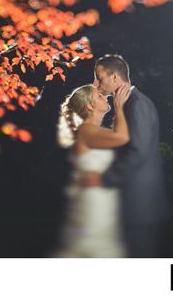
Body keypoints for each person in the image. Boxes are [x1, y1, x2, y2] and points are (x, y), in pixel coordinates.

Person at [79, 54, 168, 257]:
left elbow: (138, 151)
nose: (96, 83)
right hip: (129, 204)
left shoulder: (137, 105)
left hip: (138, 206)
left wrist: (104, 179)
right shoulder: (128, 105)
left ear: (115, 79)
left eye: (99, 78)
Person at [55, 82, 132, 256]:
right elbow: (121, 137)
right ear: (90, 106)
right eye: (99, 96)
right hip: (92, 202)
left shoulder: (96, 131)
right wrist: (119, 107)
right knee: (91, 247)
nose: (105, 96)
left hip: (103, 198)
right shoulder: (86, 131)